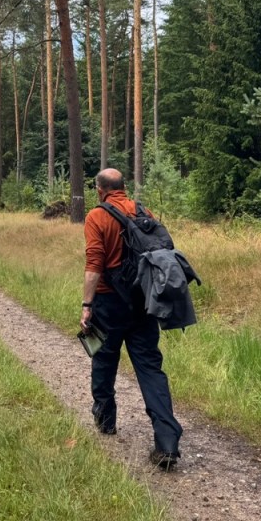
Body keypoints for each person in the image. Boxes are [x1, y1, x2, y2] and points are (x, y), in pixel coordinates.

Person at [80, 168, 183, 470]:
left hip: (108, 301)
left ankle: (106, 419)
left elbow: (94, 262)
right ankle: (166, 441)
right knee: (150, 368)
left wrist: (87, 305)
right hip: (142, 300)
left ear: (100, 190)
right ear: (123, 187)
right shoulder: (142, 210)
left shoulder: (96, 216)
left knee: (103, 358)